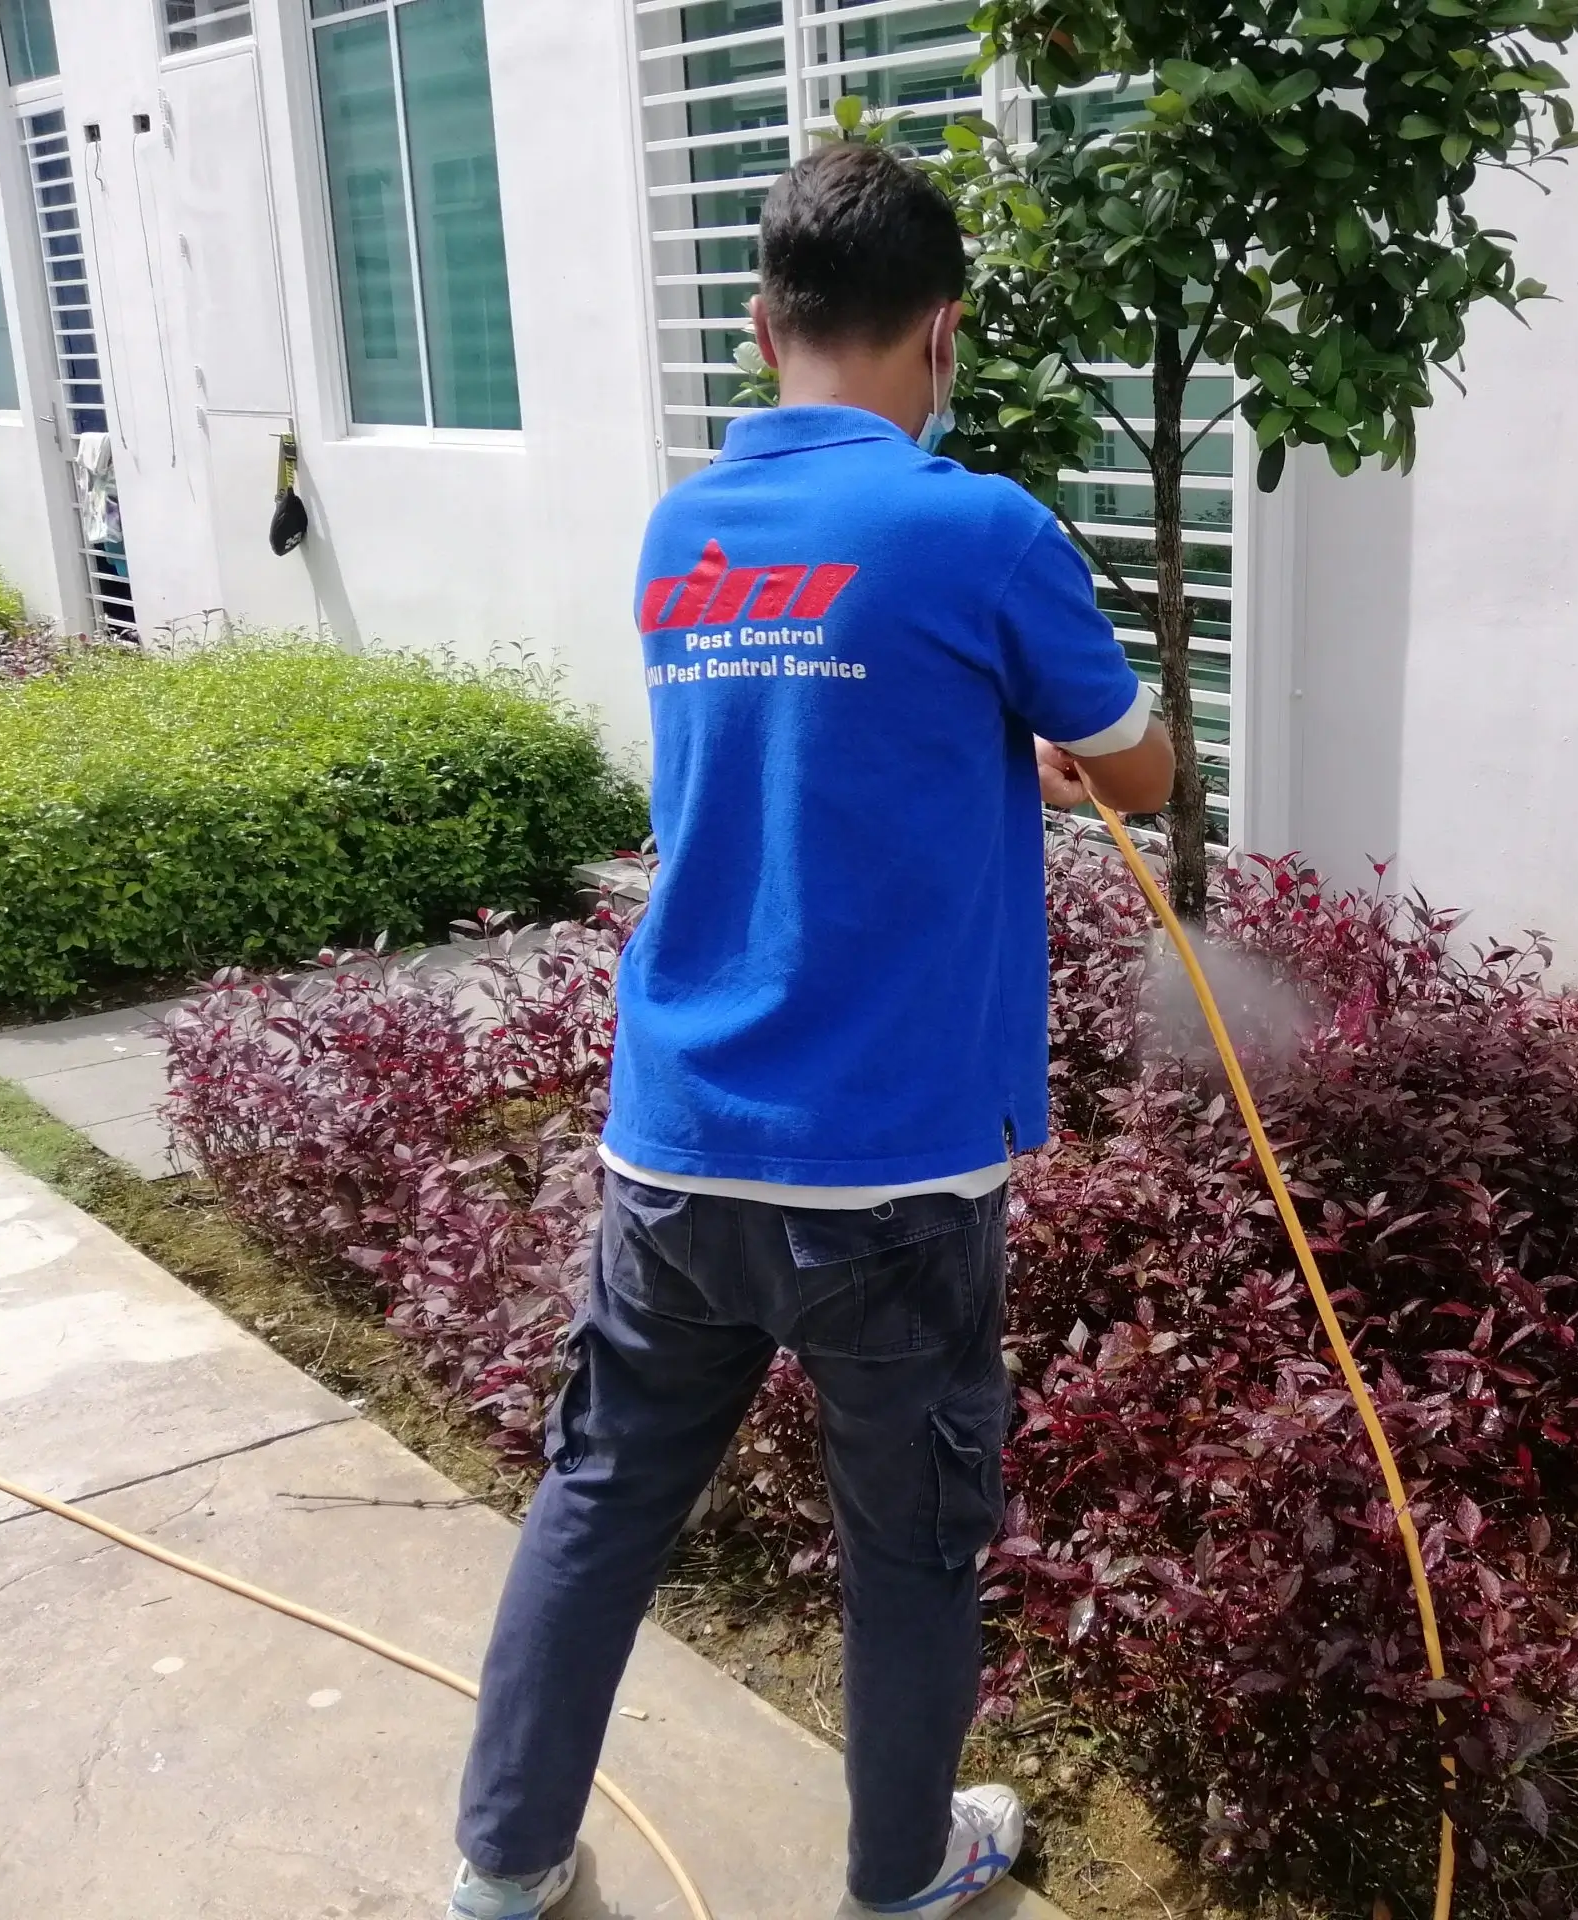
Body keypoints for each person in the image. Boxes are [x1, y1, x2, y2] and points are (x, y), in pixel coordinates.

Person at [443, 141, 1174, 1920]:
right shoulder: (975, 527)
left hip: (677, 1143)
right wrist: (1058, 740)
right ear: (943, 333)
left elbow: (804, 746)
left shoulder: (683, 531)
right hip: (891, 1181)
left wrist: (984, 732)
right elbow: (1143, 769)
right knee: (910, 1550)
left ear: (764, 325)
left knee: (602, 1502)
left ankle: (502, 1869)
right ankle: (903, 1872)